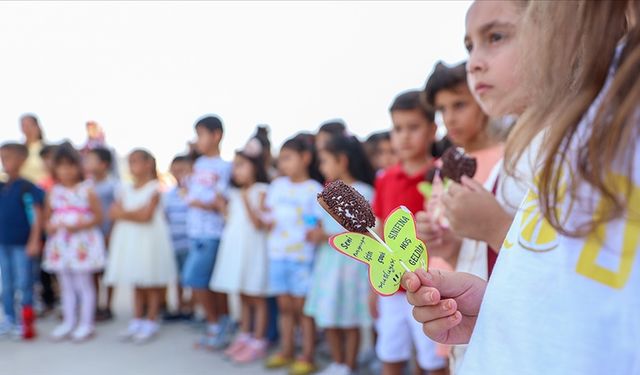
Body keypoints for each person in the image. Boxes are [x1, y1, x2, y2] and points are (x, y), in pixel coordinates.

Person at [404, 1, 640, 374]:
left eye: (496, 37)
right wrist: (496, 302)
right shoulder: (545, 143)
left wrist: (493, 226)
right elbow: (559, 272)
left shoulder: (581, 137)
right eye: (469, 47)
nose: (474, 63)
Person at [371, 90, 446, 375]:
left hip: (431, 285)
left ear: (432, 130)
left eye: (413, 127)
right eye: (398, 128)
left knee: (433, 361)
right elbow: (377, 232)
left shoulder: (442, 175)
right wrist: (373, 287)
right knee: (390, 354)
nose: (404, 136)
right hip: (391, 289)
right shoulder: (386, 178)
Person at [304, 135, 376, 375]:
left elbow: (365, 232)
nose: (321, 167)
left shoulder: (365, 191)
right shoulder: (325, 195)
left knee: (349, 318)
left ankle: (349, 364)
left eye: (325, 161)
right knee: (328, 314)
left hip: (350, 265)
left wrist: (323, 235)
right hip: (328, 263)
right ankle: (337, 362)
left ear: (342, 160)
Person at [264, 136, 323, 375]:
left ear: (306, 158)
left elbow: (315, 221)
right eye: (281, 159)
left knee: (303, 309)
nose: (283, 164)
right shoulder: (277, 186)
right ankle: (286, 349)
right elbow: (268, 214)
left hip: (302, 258)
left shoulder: (314, 190)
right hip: (277, 255)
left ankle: (307, 354)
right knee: (284, 306)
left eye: (288, 158)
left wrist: (313, 230)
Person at [104, 149, 177, 344]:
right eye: (130, 161)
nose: (132, 165)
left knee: (151, 282)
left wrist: (125, 214)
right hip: (131, 240)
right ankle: (137, 319)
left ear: (148, 164)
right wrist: (132, 213)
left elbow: (145, 216)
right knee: (137, 281)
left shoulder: (156, 188)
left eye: (136, 161)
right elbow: (113, 213)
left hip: (149, 240)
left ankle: (151, 319)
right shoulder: (124, 188)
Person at [210, 139, 271, 364]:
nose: (236, 170)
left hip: (254, 250)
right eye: (235, 166)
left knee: (256, 295)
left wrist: (246, 200)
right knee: (243, 295)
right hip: (237, 249)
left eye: (241, 165)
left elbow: (258, 222)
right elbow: (231, 221)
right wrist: (221, 208)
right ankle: (244, 334)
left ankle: (258, 338)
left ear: (255, 167)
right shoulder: (235, 194)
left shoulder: (262, 190)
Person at [43, 145, 106, 342]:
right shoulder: (53, 191)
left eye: (70, 166)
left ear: (78, 167)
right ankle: (69, 322)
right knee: (65, 286)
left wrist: (80, 225)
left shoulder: (87, 189)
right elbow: (47, 218)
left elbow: (98, 217)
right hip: (61, 244)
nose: (66, 171)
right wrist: (50, 227)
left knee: (84, 285)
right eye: (61, 166)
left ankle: (86, 323)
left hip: (81, 244)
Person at [182, 115, 233, 350]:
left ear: (216, 135)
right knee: (207, 281)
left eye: (201, 134)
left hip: (212, 232)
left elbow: (219, 201)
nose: (197, 140)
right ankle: (220, 323)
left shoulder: (225, 167)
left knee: (196, 279)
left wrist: (197, 201)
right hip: (196, 231)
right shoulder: (199, 164)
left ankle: (215, 325)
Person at [424, 61, 504, 183]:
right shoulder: (440, 169)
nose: (450, 119)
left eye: (459, 105)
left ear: (483, 100)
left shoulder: (508, 161)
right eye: (442, 109)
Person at [0, 143, 44, 339]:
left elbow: (36, 216)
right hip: (4, 243)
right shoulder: (2, 187)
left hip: (22, 245)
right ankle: (9, 317)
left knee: (24, 283)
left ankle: (25, 321)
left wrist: (34, 241)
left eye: (8, 157)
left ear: (22, 159)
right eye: (2, 157)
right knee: (6, 284)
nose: (4, 161)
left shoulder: (28, 187)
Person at [84, 147, 118, 322]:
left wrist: (111, 232)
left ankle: (108, 306)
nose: (86, 163)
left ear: (104, 164)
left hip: (108, 233)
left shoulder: (113, 185)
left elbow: (116, 210)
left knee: (109, 271)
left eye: (91, 160)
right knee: (93, 272)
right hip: (91, 235)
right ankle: (95, 305)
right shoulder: (87, 186)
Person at [162, 155, 194, 321]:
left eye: (182, 170)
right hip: (175, 242)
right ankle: (180, 306)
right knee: (178, 277)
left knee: (193, 277)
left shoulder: (195, 191)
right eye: (175, 171)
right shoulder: (170, 194)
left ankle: (192, 306)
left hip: (191, 243)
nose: (178, 174)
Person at [19, 114, 47, 185]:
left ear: (37, 126)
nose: (27, 128)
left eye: (29, 125)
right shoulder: (17, 150)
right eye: (24, 126)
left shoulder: (46, 148)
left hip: (42, 189)